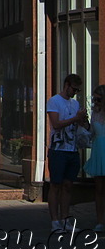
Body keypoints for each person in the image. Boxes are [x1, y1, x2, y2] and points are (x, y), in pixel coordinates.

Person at [47, 73, 89, 232]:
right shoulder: (54, 101)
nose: (75, 93)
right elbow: (56, 124)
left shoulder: (75, 104)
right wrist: (75, 118)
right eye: (74, 89)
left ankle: (65, 219)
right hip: (58, 149)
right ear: (66, 85)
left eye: (78, 90)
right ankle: (54, 221)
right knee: (55, 185)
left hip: (72, 149)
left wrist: (82, 119)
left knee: (68, 185)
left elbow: (80, 124)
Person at [83, 84, 105, 232]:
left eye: (98, 99)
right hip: (99, 151)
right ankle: (100, 221)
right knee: (99, 189)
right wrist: (84, 124)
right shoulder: (95, 113)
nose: (95, 102)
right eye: (94, 99)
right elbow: (91, 132)